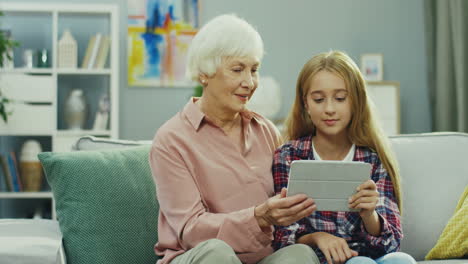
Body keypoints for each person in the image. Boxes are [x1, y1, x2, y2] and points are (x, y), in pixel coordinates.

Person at [149, 14, 320, 264]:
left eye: (254, 70)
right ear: (204, 74)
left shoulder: (266, 131)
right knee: (217, 252)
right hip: (200, 256)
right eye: (238, 70)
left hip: (261, 258)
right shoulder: (171, 140)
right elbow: (191, 230)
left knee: (300, 255)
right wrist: (259, 217)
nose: (249, 82)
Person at [272, 51, 417, 264]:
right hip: (320, 259)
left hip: (368, 255)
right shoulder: (288, 156)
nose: (330, 109)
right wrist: (318, 237)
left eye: (340, 98)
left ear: (355, 102)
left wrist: (369, 215)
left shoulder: (373, 159)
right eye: (319, 99)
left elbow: (391, 242)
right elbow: (282, 234)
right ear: (306, 104)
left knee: (401, 260)